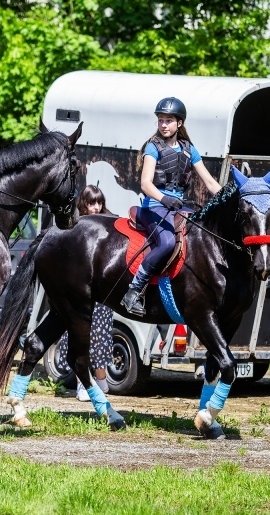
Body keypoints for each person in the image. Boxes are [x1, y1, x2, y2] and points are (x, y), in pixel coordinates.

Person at [121, 97, 222, 316]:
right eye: (161, 120)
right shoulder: (152, 147)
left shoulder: (189, 150)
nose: (164, 125)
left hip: (178, 209)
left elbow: (210, 182)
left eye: (168, 121)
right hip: (153, 207)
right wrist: (164, 199)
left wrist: (228, 198)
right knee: (167, 243)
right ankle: (133, 291)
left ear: (180, 123)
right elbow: (145, 183)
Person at [55, 185, 114, 401]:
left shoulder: (108, 221)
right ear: (84, 204)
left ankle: (101, 378)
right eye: (92, 203)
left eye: (99, 202)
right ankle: (83, 383)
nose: (96, 207)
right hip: (80, 293)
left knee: (102, 335)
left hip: (102, 293)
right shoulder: (76, 224)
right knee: (81, 337)